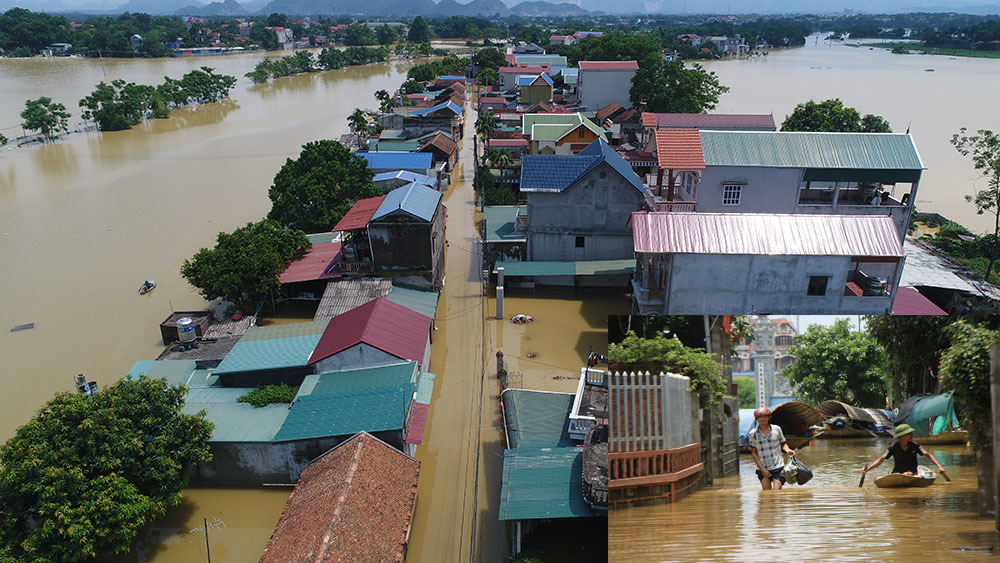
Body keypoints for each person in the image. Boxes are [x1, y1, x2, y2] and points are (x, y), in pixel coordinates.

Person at [862, 423, 947, 477]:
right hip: (897, 472)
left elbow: (928, 455)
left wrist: (939, 466)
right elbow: (881, 459)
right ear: (902, 436)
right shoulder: (893, 447)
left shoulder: (915, 446)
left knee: (907, 474)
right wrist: (868, 469)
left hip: (911, 472)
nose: (911, 435)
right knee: (896, 476)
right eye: (909, 434)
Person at [748, 407, 796, 490]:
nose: (763, 419)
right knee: (767, 495)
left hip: (778, 467)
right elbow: (754, 453)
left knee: (777, 493)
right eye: (760, 417)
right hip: (762, 468)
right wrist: (762, 470)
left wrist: (788, 450)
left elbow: (783, 443)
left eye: (765, 416)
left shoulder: (777, 429)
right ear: (757, 419)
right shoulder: (753, 434)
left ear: (768, 417)